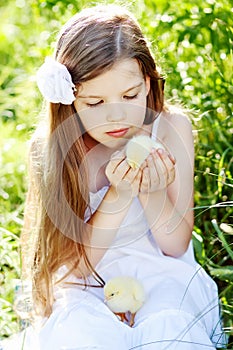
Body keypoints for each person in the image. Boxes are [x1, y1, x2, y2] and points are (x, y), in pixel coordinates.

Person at [1, 4, 226, 350]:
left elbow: (175, 245)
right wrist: (118, 197)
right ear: (71, 103)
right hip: (86, 279)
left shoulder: (170, 129)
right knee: (80, 334)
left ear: (148, 81)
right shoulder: (55, 149)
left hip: (161, 272)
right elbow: (73, 267)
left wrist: (151, 192)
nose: (116, 115)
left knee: (170, 332)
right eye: (95, 103)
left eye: (130, 95)